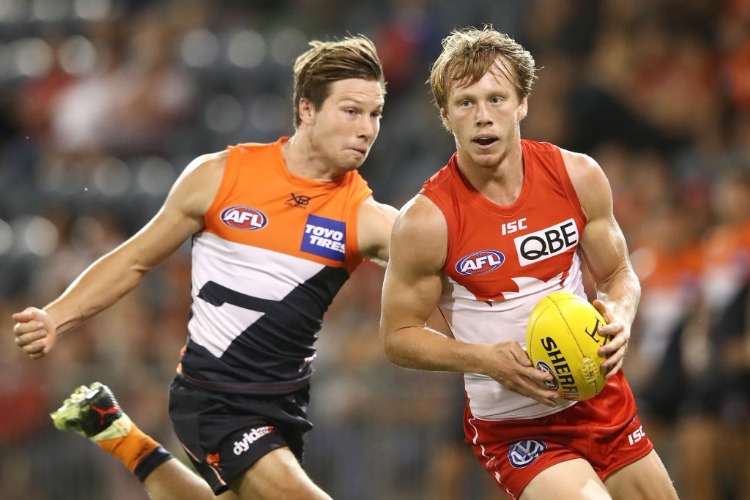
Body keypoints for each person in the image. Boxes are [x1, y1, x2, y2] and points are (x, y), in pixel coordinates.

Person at [13, 35, 396, 500]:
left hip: (286, 404)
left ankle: (119, 435)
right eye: (351, 111)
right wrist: (57, 315)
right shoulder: (220, 176)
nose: (366, 128)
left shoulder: (368, 218)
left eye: (375, 114)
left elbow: (454, 269)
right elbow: (135, 259)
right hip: (214, 397)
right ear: (307, 109)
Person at [378, 26, 679, 499]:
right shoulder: (425, 220)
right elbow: (396, 337)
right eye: (466, 103)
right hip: (516, 429)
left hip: (601, 400)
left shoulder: (577, 175)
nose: (483, 117)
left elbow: (620, 275)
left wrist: (620, 315)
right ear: (444, 115)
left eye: (497, 99)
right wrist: (485, 361)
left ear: (522, 104)